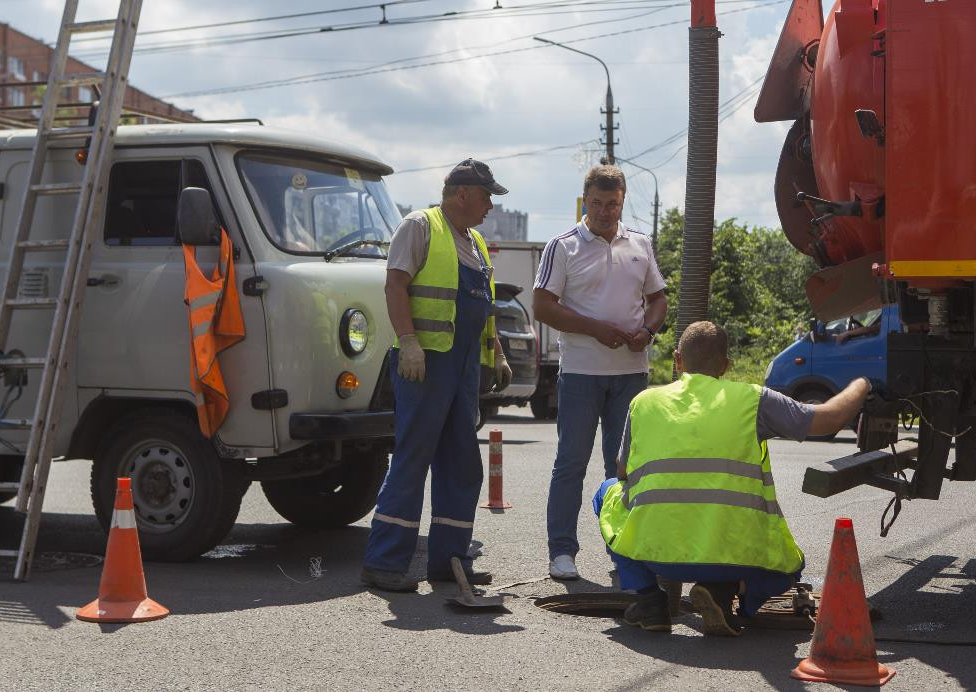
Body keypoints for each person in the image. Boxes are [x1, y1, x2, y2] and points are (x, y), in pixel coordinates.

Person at [595, 321, 871, 636]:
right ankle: (729, 593)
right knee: (790, 567)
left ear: (677, 360)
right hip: (737, 557)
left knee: (605, 492)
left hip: (656, 557)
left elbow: (622, 472)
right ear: (726, 366)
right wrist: (861, 384)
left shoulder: (643, 403)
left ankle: (649, 601)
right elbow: (830, 418)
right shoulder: (753, 400)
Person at [361, 158, 514, 593]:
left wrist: (497, 354)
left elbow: (482, 309)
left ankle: (450, 560)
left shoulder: (477, 242)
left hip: (463, 368)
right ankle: (384, 562)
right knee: (413, 460)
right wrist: (407, 342)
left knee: (462, 462)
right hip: (424, 363)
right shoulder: (420, 226)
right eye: (487, 197)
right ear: (462, 194)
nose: (490, 206)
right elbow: (395, 286)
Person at [533, 163, 667, 581]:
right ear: (585, 200)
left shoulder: (640, 243)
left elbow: (659, 299)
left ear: (623, 200)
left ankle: (623, 549)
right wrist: (596, 330)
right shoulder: (564, 245)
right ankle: (562, 552)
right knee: (571, 462)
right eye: (597, 203)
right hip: (580, 373)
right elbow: (543, 306)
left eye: (613, 204)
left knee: (624, 465)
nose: (606, 212)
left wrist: (647, 330)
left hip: (631, 372)